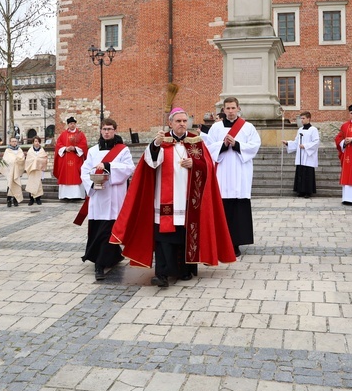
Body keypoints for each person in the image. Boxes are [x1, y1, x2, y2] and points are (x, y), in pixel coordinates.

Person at [111, 108, 236, 288]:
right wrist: (154, 145)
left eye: (185, 121)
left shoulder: (196, 141)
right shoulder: (162, 141)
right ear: (170, 123)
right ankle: (161, 274)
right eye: (178, 121)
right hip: (164, 200)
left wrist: (196, 164)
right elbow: (150, 163)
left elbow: (208, 165)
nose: (182, 124)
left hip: (188, 201)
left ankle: (185, 270)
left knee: (185, 236)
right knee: (163, 238)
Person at [79, 118, 135, 280]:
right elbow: (84, 170)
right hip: (98, 195)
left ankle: (101, 263)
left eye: (110, 129)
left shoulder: (123, 150)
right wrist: (94, 180)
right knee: (99, 228)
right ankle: (106, 258)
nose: (107, 132)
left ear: (115, 130)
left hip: (115, 196)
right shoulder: (93, 150)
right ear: (101, 131)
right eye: (104, 129)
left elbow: (129, 168)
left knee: (109, 229)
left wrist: (109, 167)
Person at [206, 97, 261, 257]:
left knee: (238, 209)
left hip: (240, 173)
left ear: (238, 109)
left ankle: (236, 243)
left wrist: (236, 144)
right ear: (223, 110)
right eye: (227, 108)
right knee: (222, 207)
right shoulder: (216, 128)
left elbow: (254, 145)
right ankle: (220, 242)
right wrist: (223, 145)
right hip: (222, 173)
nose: (230, 111)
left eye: (232, 108)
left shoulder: (248, 127)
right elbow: (208, 148)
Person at [282, 111, 320, 198]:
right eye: (301, 118)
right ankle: (300, 191)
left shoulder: (313, 130)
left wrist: (305, 146)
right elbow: (296, 142)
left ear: (308, 118)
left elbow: (316, 142)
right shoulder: (300, 130)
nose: (301, 120)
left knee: (307, 174)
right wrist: (288, 143)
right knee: (300, 173)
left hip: (308, 156)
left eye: (303, 118)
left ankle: (308, 192)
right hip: (300, 156)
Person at [53, 116, 87, 200]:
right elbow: (58, 144)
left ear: (75, 124)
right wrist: (65, 148)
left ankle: (77, 195)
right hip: (65, 160)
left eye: (74, 123)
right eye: (71, 123)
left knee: (77, 175)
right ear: (68, 125)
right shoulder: (63, 134)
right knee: (65, 175)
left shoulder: (80, 134)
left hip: (76, 159)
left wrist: (75, 148)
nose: (72, 125)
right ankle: (65, 195)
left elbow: (84, 145)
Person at [0, 137, 25, 207]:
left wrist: (17, 160)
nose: (14, 143)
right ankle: (8, 200)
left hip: (17, 170)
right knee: (10, 185)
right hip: (10, 171)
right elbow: (5, 160)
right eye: (13, 141)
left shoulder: (19, 150)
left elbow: (22, 159)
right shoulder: (7, 151)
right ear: (10, 142)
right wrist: (13, 161)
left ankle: (15, 199)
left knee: (17, 185)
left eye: (15, 141)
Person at [24, 136, 48, 205]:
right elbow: (28, 160)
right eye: (35, 141)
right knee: (31, 184)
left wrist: (38, 161)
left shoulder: (42, 151)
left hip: (39, 170)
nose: (37, 143)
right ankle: (31, 199)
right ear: (33, 142)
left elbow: (44, 159)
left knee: (38, 184)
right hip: (32, 170)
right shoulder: (30, 151)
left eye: (38, 141)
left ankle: (38, 199)